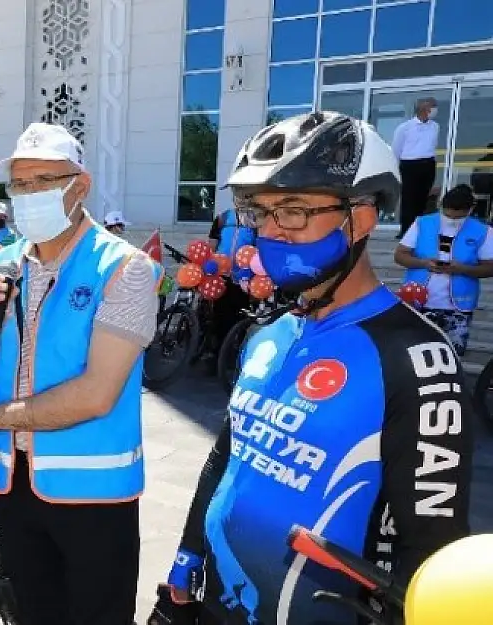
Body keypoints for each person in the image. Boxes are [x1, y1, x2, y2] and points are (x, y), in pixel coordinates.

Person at [147, 111, 473, 625]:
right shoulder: (269, 333)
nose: (273, 231)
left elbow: (432, 550)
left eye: (294, 210)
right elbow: (225, 460)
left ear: (362, 217)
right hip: (216, 604)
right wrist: (186, 561)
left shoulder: (418, 359)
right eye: (263, 211)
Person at [0, 122, 161, 625]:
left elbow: (95, 395)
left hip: (94, 496)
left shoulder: (124, 269)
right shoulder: (4, 264)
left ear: (79, 187)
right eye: (19, 184)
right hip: (15, 487)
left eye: (43, 182)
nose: (28, 195)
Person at [394, 183, 493, 356]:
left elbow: (489, 268)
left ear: (470, 210)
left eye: (457, 218)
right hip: (418, 302)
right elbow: (400, 255)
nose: (451, 221)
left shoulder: (483, 231)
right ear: (441, 206)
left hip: (458, 308)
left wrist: (463, 269)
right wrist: (424, 263)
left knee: (452, 357)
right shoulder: (422, 223)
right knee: (414, 356)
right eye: (447, 216)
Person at [205, 207, 254, 369]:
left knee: (240, 317)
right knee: (219, 317)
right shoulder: (223, 218)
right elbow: (212, 245)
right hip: (221, 276)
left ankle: (233, 355)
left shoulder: (256, 218)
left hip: (244, 278)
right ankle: (216, 355)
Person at [393, 97, 440, 237]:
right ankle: (406, 230)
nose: (435, 110)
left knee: (423, 198)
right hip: (410, 165)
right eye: (433, 107)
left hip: (428, 165)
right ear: (424, 109)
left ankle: (420, 229)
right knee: (409, 198)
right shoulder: (405, 128)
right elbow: (396, 148)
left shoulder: (435, 126)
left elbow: (433, 145)